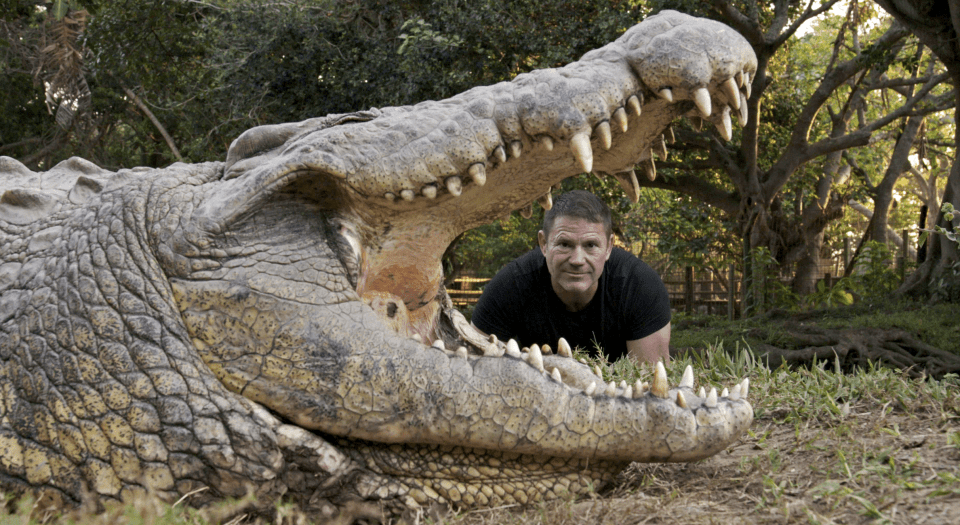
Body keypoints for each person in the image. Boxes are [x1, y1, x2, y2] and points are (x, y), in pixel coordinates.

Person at [470, 190, 671, 364]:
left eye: (591, 245)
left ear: (609, 247)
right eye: (565, 244)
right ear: (544, 244)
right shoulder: (509, 286)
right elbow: (475, 372)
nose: (577, 260)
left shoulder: (640, 287)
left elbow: (651, 385)